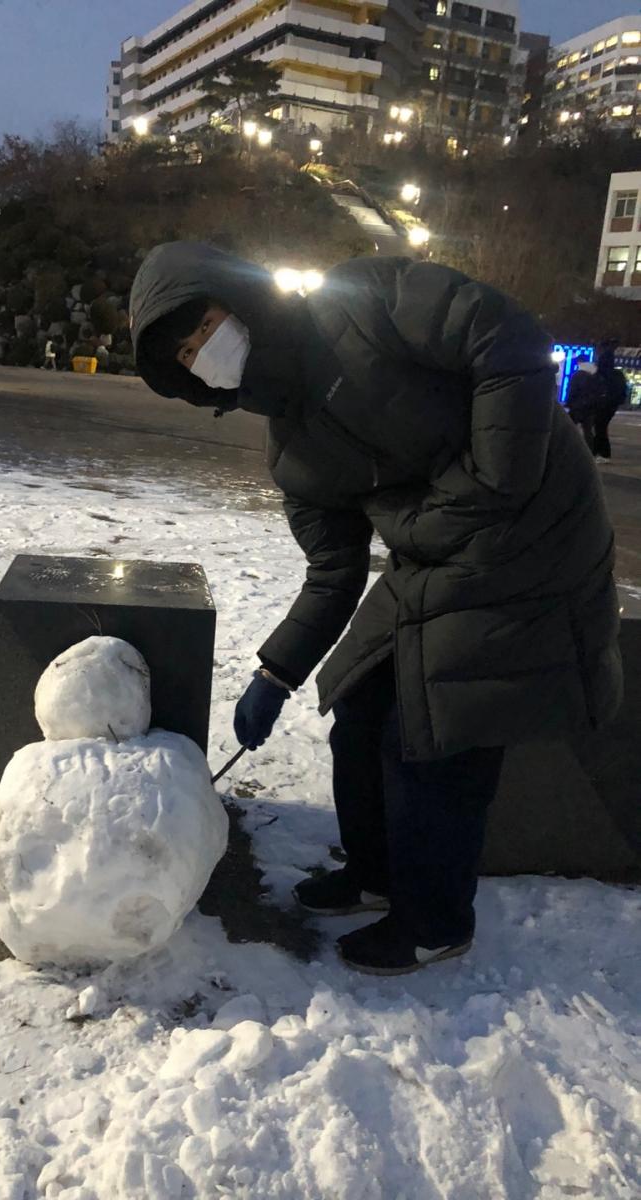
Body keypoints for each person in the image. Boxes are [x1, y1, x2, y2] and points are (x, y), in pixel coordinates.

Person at [130, 242, 622, 975]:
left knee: (428, 724)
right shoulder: (293, 455)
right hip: (436, 557)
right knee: (359, 700)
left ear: (237, 298)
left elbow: (507, 337)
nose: (205, 351)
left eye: (204, 325)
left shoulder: (361, 300)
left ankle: (435, 922)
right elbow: (334, 573)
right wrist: (275, 673)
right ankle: (377, 874)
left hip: (540, 523)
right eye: (187, 352)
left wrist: (498, 477)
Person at [593, 342, 629, 462]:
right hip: (611, 405)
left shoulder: (602, 375)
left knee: (599, 428)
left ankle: (602, 452)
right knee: (601, 428)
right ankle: (600, 452)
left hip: (603, 404)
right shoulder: (617, 375)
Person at [565, 356, 607, 454]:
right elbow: (600, 391)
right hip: (591, 407)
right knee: (588, 431)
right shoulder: (596, 375)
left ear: (579, 363)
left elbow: (572, 390)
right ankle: (589, 451)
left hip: (577, 406)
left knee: (568, 428)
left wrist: (569, 403)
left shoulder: (578, 375)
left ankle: (567, 448)